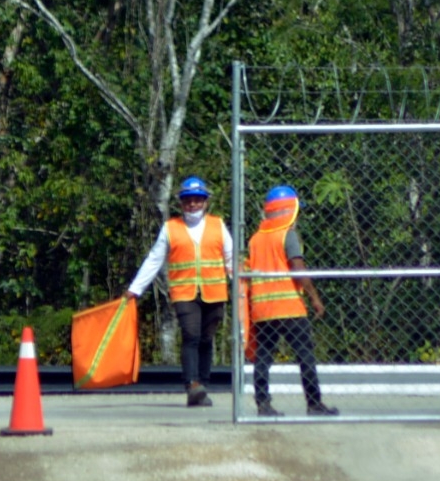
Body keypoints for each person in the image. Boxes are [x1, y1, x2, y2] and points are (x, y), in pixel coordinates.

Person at [128, 176, 232, 407]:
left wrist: (240, 284)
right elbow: (154, 260)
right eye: (188, 201)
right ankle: (191, 384)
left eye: (197, 200)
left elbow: (230, 257)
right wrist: (135, 289)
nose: (192, 204)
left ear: (205, 202)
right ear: (181, 203)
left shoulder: (218, 225)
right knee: (191, 335)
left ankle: (202, 385)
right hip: (185, 293)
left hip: (214, 292)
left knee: (206, 339)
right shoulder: (170, 228)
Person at [247, 185, 338, 417]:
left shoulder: (256, 239)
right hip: (289, 307)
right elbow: (298, 269)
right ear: (290, 211)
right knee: (305, 355)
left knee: (263, 357)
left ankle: (263, 404)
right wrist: (315, 298)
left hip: (263, 309)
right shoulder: (288, 235)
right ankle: (314, 403)